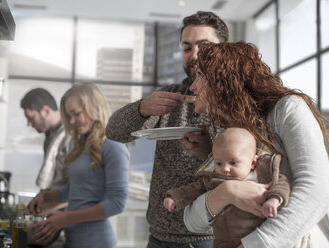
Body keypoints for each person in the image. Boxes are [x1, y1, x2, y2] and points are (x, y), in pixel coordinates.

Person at [183, 41, 329, 248]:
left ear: (226, 78)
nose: (193, 86)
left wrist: (252, 246)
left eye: (201, 75)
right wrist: (227, 192)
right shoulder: (228, 133)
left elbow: (316, 190)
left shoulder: (288, 109)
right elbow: (193, 222)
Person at [106, 11, 246, 247]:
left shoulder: (240, 105)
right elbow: (114, 132)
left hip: (212, 237)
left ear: (225, 48)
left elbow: (252, 170)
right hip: (160, 236)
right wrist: (143, 107)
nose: (194, 55)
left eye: (204, 46)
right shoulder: (172, 96)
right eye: (187, 48)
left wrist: (211, 152)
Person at [27, 83, 129, 248]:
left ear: (93, 108)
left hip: (97, 242)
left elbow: (117, 203)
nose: (72, 121)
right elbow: (75, 190)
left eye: (76, 114)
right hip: (75, 240)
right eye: (69, 116)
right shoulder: (82, 145)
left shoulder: (113, 145)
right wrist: (47, 196)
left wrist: (66, 218)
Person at [164, 127, 290, 247]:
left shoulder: (264, 173)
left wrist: (274, 198)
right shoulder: (215, 180)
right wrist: (174, 198)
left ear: (253, 162)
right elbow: (192, 189)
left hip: (259, 237)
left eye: (233, 163)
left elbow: (281, 184)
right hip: (226, 242)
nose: (225, 169)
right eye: (219, 163)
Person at [21, 88, 70, 191]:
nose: (28, 124)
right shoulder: (50, 137)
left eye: (31, 118)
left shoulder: (70, 136)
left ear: (46, 111)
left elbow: (74, 184)